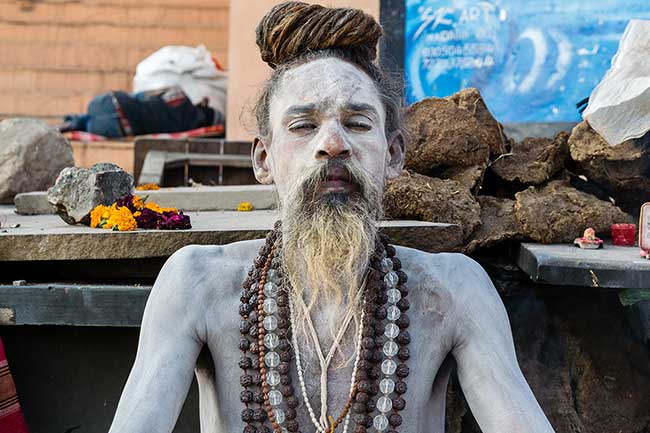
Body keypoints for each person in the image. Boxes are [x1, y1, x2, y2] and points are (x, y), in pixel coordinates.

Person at [108, 2, 555, 433]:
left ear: (394, 155)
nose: (333, 144)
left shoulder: (454, 290)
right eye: (303, 126)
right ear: (264, 160)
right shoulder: (196, 284)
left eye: (358, 123)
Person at [59, 86, 218, 137]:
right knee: (90, 124)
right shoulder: (185, 128)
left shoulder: (179, 97)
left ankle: (74, 121)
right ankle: (78, 124)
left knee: (91, 112)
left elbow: (146, 95)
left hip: (112, 102)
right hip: (120, 128)